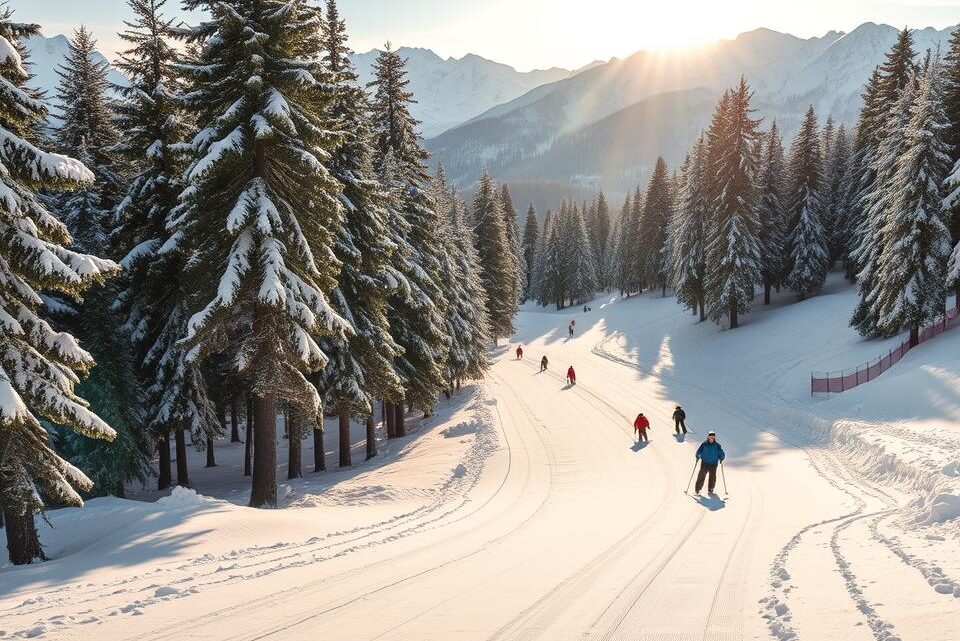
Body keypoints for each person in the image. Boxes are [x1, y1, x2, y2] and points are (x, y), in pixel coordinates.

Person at [694, 431, 725, 495]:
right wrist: (697, 455)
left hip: (713, 464)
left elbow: (721, 453)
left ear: (714, 438)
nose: (711, 439)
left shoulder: (717, 446)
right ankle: (698, 489)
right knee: (701, 476)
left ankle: (711, 489)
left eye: (713, 438)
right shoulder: (704, 444)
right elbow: (699, 451)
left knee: (712, 477)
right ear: (708, 438)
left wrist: (722, 457)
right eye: (710, 437)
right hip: (705, 463)